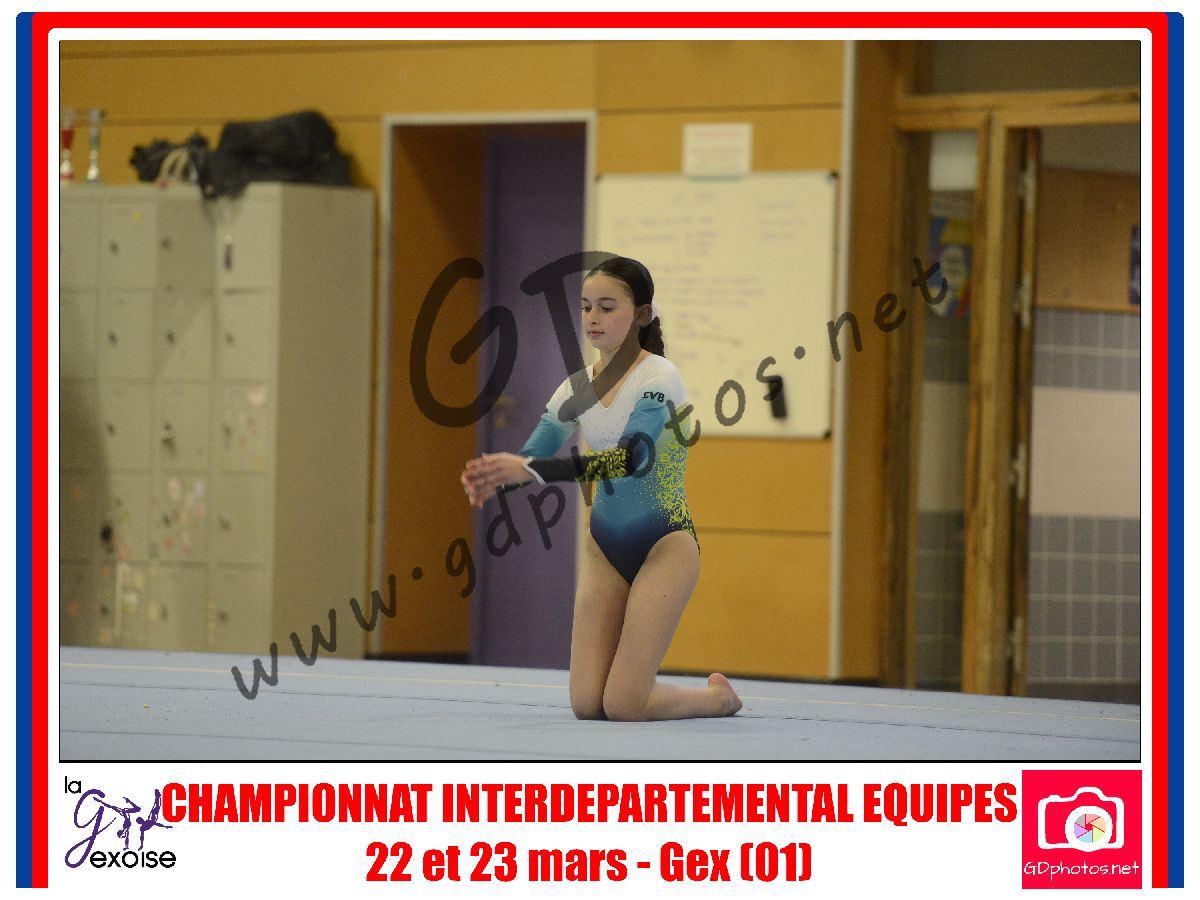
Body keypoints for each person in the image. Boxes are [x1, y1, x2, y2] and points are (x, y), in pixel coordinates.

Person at [460, 256, 742, 723]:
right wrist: (496, 476)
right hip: (605, 547)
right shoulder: (575, 389)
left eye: (607, 307)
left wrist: (530, 469)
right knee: (588, 705)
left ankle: (717, 700)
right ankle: (656, 692)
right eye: (586, 306)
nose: (592, 317)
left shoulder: (658, 377)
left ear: (641, 315)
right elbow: (533, 458)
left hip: (664, 546)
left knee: (625, 704)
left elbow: (630, 460)